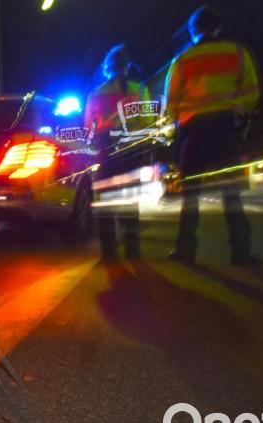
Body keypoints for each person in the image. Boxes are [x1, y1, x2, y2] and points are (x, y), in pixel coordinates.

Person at [163, 6, 261, 265]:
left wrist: (182, 120)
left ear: (193, 32)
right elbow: (251, 92)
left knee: (191, 195)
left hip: (194, 132)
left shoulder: (182, 60)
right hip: (225, 129)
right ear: (218, 28)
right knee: (232, 194)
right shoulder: (237, 53)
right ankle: (241, 253)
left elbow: (171, 102)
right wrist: (237, 112)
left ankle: (185, 252)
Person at [84, 44, 153, 261]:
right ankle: (133, 251)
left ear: (106, 67)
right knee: (130, 202)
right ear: (127, 67)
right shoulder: (139, 89)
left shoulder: (95, 94)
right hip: (132, 150)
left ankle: (109, 253)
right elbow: (148, 121)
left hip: (107, 150)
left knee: (107, 201)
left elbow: (89, 127)